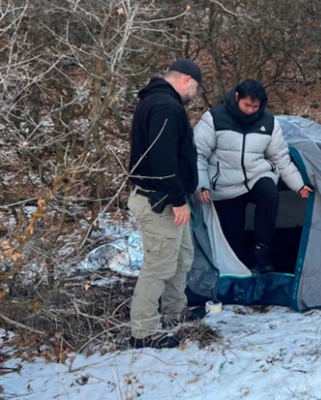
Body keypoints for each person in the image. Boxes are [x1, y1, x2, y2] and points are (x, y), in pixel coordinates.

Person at [194, 79, 312, 273]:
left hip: (257, 175)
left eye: (255, 106)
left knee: (269, 192)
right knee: (233, 238)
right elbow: (198, 153)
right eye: (247, 105)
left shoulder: (269, 122)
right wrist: (202, 184)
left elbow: (280, 157)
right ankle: (240, 261)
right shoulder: (214, 118)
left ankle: (262, 249)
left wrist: (299, 185)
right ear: (237, 97)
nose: (250, 110)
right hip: (225, 183)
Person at [127, 59, 206, 349]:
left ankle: (174, 313)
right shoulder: (165, 107)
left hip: (169, 200)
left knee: (181, 257)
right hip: (159, 202)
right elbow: (162, 162)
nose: (195, 94)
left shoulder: (161, 103)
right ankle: (143, 332)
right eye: (196, 88)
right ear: (186, 79)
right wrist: (176, 200)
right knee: (159, 266)